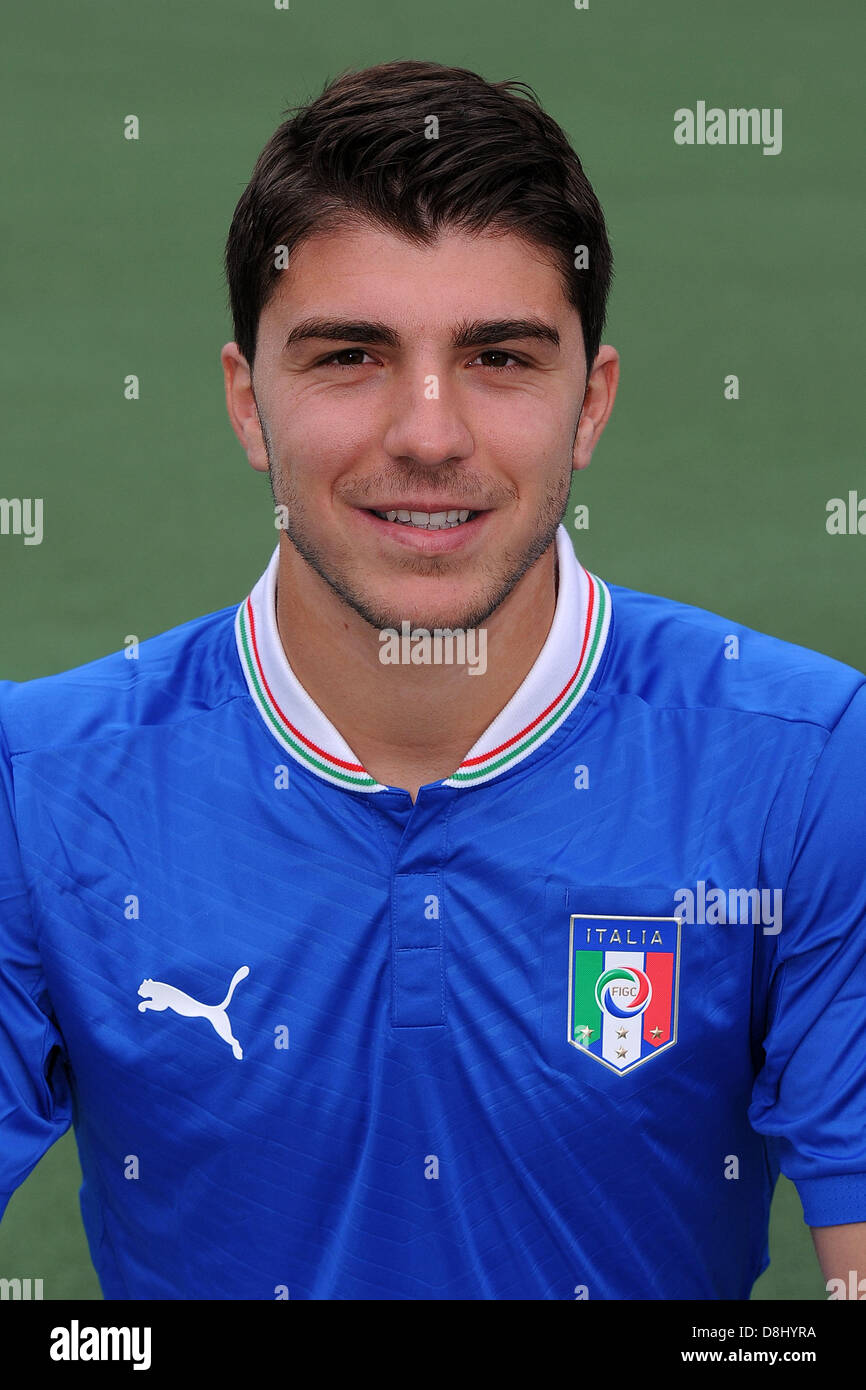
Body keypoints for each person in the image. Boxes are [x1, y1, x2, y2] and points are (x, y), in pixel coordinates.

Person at [1, 59, 864, 1300]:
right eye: (350, 355)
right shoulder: (38, 786)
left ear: (589, 407)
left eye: (499, 357)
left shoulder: (806, 765)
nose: (427, 432)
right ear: (248, 403)